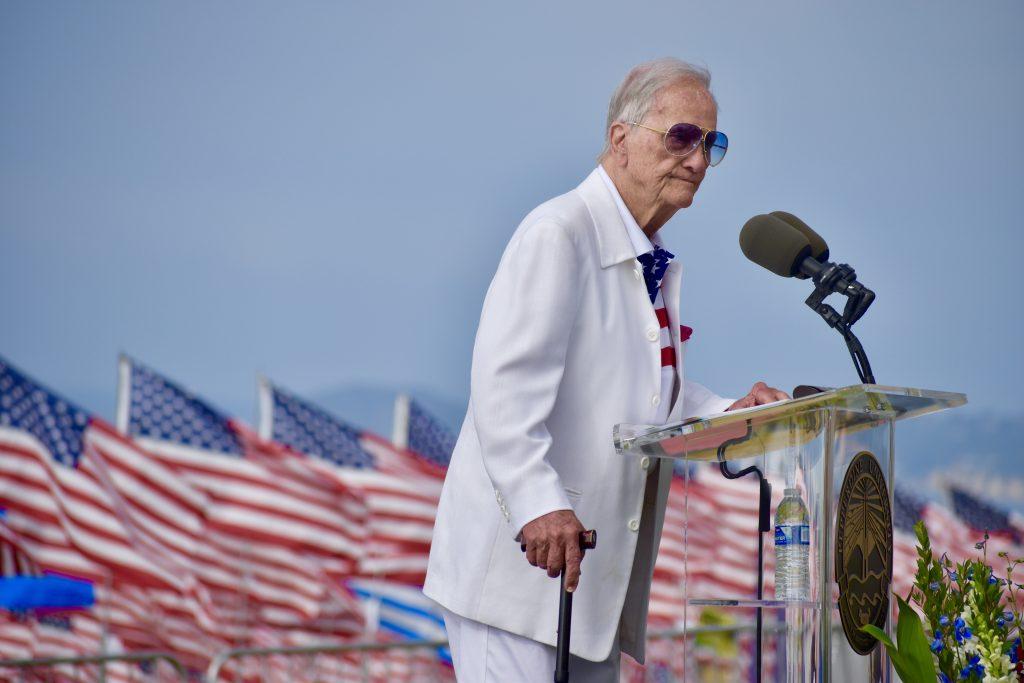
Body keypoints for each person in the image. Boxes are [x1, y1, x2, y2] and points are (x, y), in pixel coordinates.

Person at [423, 57, 788, 681]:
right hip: (520, 580)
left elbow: (642, 400)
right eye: (681, 137)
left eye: (712, 144)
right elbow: (502, 390)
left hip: (587, 593)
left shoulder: (648, 255)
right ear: (620, 138)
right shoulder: (558, 233)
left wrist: (729, 414)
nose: (698, 160)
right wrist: (538, 506)